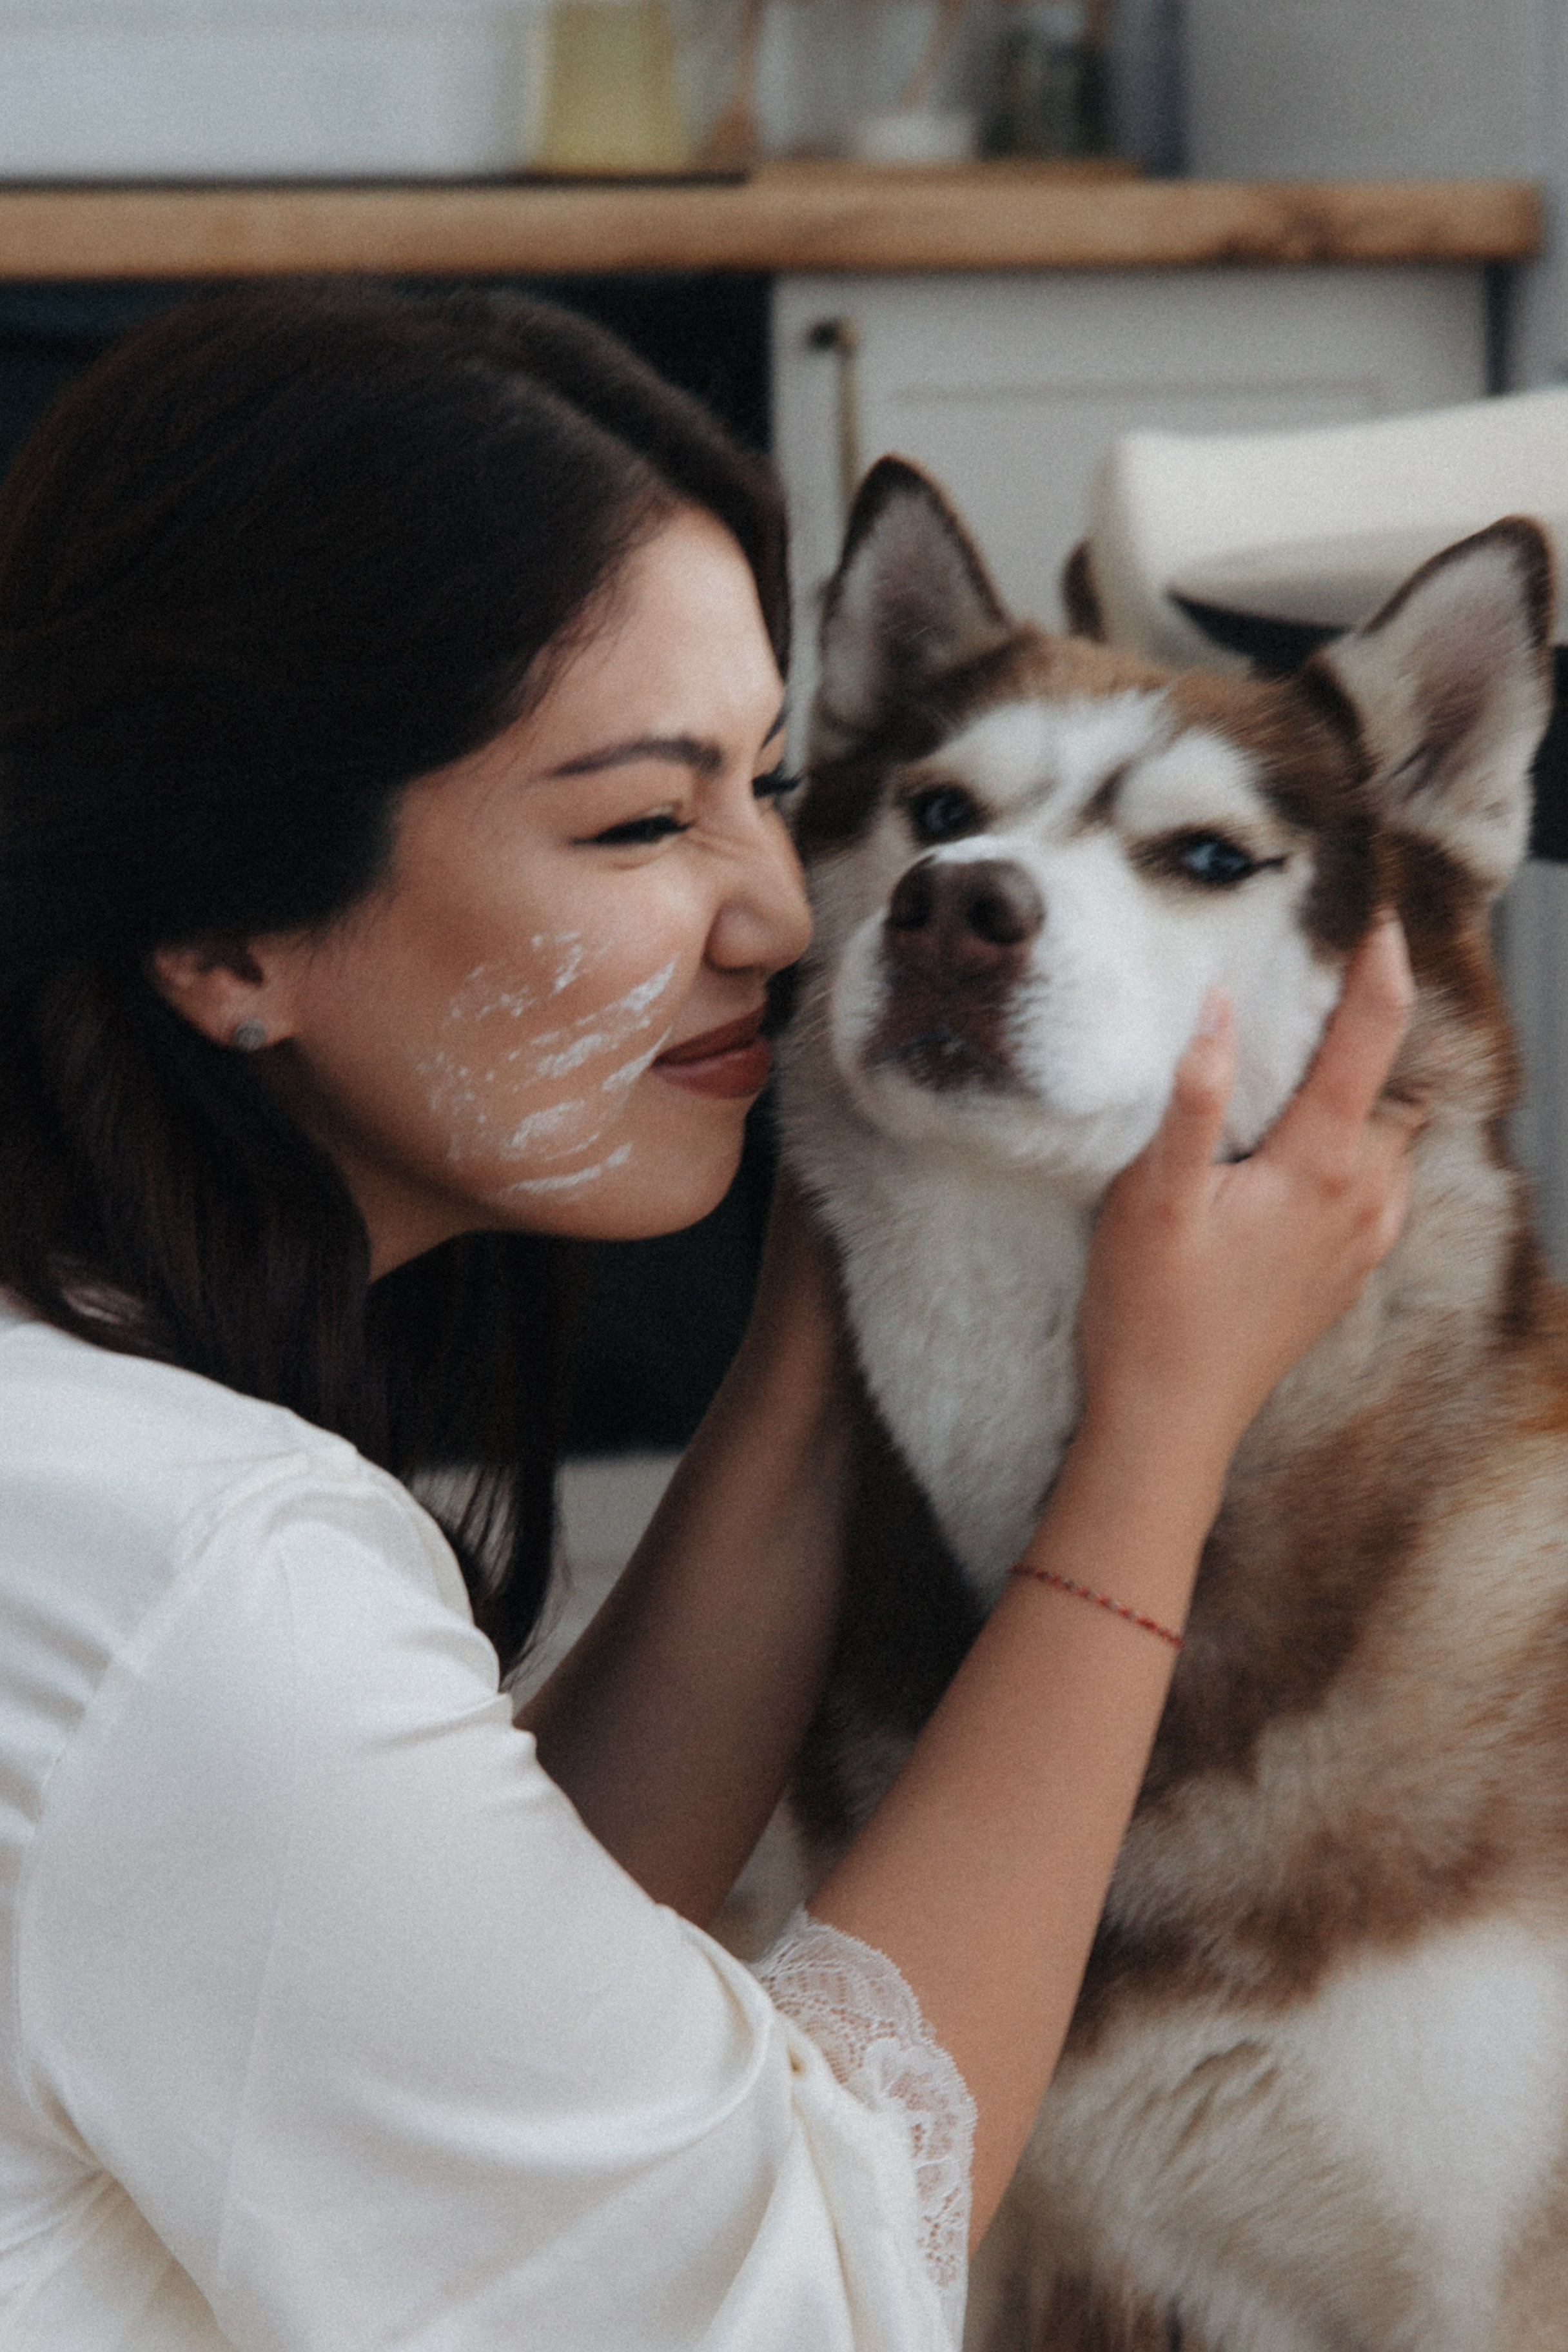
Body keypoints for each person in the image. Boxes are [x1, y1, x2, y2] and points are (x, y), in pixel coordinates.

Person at [0, 282, 1415, 2352]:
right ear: (227, 932)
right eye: (644, 821)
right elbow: (794, 2294)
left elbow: (489, 1972)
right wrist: (1155, 1447)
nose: (780, 913)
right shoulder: (202, 1596)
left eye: (773, 780)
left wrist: (847, 1277)